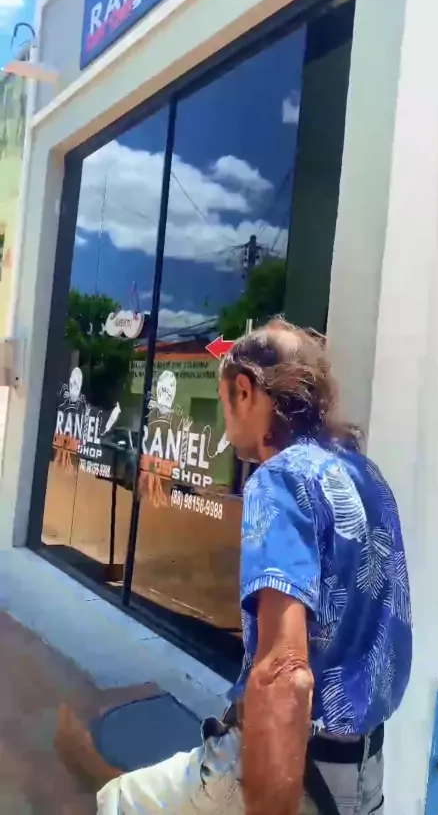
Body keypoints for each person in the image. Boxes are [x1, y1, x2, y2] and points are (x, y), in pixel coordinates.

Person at [97, 317, 412, 815]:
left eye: (224, 400)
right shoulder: (364, 473)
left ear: (244, 390)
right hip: (363, 771)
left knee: (117, 800)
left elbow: (286, 672)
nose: (225, 420)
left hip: (293, 771)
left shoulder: (280, 478)